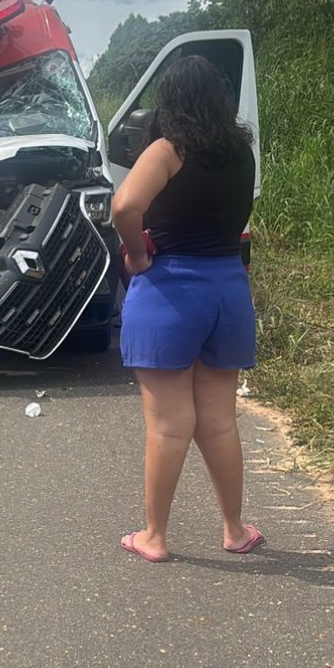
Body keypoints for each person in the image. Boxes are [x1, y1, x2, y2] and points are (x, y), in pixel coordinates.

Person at [111, 56, 262, 563]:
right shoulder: (241, 151)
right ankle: (235, 530)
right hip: (228, 290)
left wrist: (135, 253)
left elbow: (124, 206)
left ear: (168, 100)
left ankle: (154, 536)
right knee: (219, 420)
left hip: (171, 292)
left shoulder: (167, 150)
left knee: (169, 424)